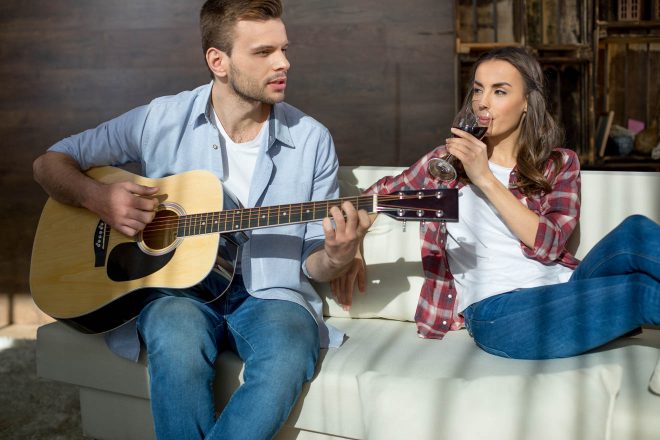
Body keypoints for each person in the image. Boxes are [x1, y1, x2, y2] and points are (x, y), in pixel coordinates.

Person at [32, 1, 372, 438]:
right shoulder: (159, 119)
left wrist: (338, 254)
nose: (283, 62)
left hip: (270, 296)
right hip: (180, 292)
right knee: (175, 338)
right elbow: (50, 163)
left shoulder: (311, 140)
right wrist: (98, 197)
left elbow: (313, 263)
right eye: (263, 52)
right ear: (219, 61)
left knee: (290, 349)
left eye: (284, 49)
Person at [333, 46, 659, 360]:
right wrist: (355, 239)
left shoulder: (558, 163)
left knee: (637, 231)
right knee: (641, 291)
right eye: (478, 90)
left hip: (567, 286)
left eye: (499, 92)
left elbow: (550, 244)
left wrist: (485, 177)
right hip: (498, 310)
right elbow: (373, 197)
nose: (482, 104)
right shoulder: (445, 164)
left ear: (527, 103)